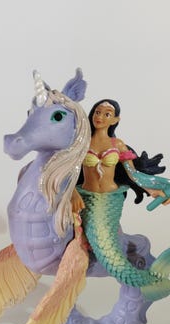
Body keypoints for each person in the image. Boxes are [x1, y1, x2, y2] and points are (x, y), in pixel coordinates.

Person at [72, 99, 170, 301]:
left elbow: (134, 175)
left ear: (115, 120)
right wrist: (72, 193)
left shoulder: (117, 144)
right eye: (97, 112)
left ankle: (149, 280)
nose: (100, 116)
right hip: (87, 198)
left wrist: (154, 188)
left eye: (107, 114)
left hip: (110, 200)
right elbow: (67, 172)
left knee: (107, 248)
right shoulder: (81, 142)